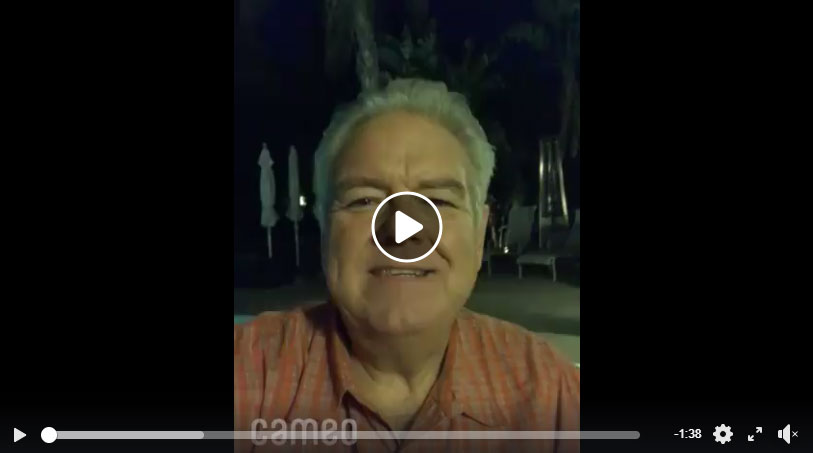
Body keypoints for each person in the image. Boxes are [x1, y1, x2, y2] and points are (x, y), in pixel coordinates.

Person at [234, 79, 579, 452]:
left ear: (479, 235)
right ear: (325, 231)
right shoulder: (251, 373)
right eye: (365, 200)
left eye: (439, 201)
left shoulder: (549, 396)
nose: (402, 233)